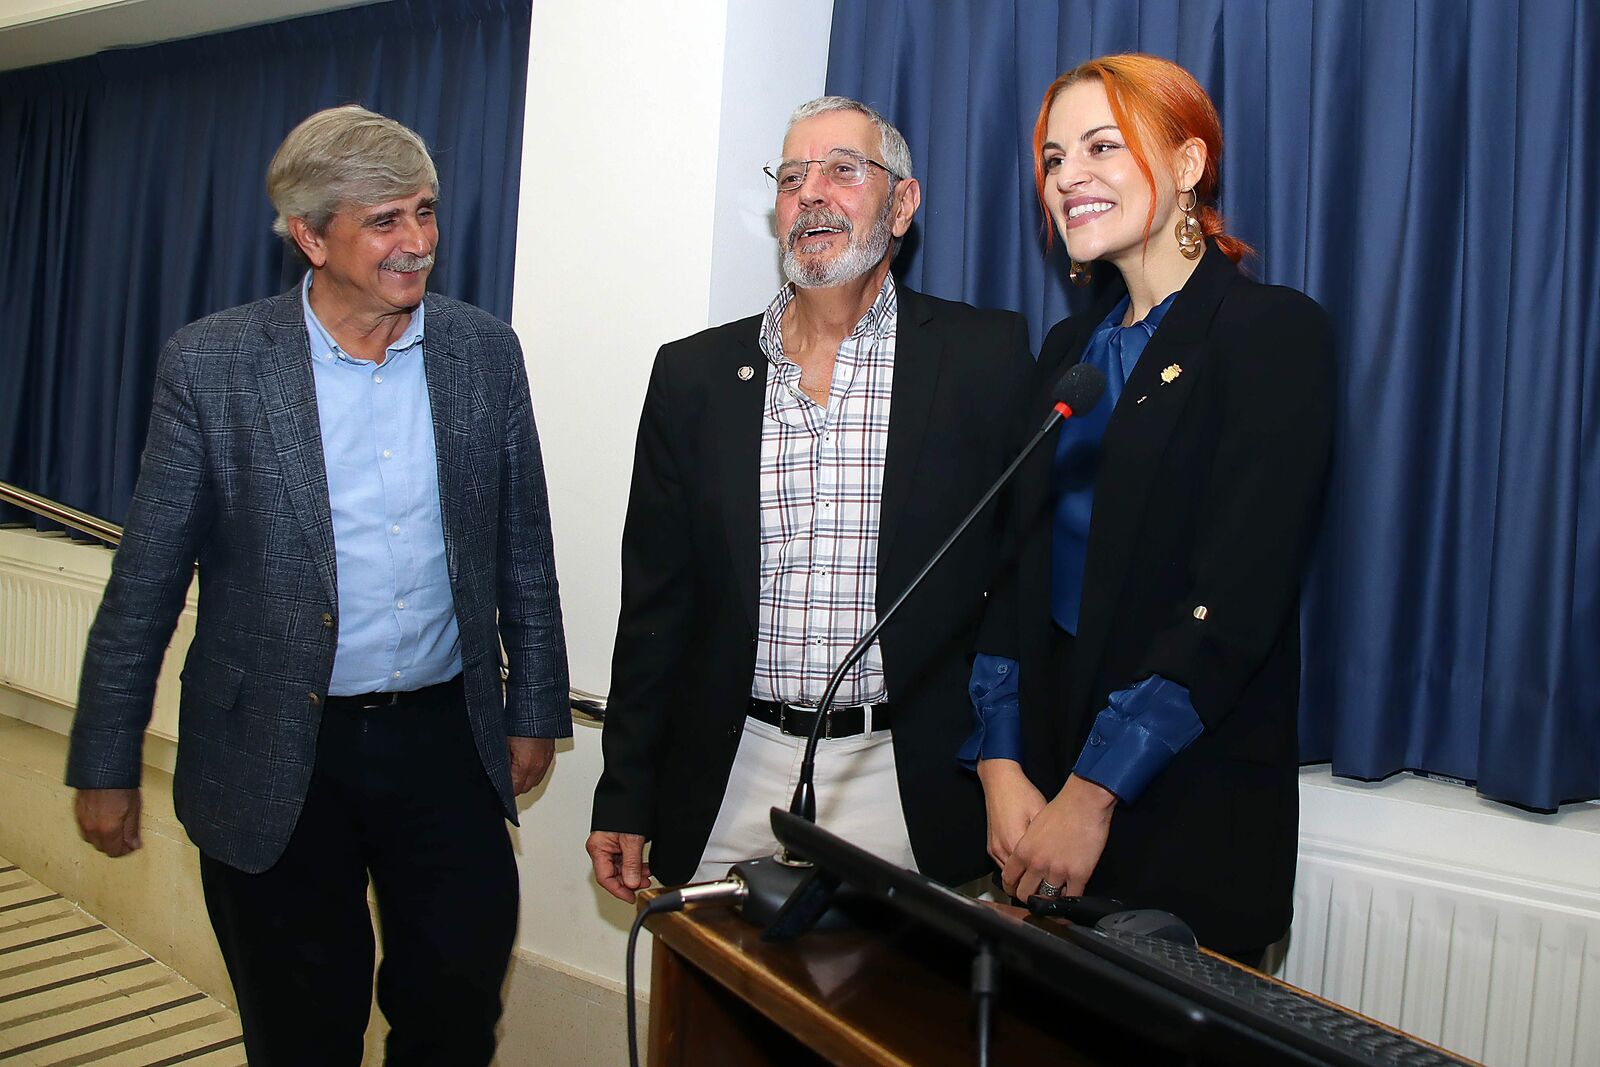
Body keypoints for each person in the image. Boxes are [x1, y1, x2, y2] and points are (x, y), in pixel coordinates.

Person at [66, 105, 569, 1065]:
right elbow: (147, 580)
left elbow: (522, 548)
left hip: (443, 743)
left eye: (424, 212)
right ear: (310, 234)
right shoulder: (214, 368)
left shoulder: (481, 353)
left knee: (456, 1006)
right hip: (275, 753)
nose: (417, 243)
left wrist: (534, 703)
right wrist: (104, 755)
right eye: (385, 221)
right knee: (303, 1028)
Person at [587, 97, 1031, 901]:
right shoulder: (694, 376)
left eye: (841, 170)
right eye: (792, 177)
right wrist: (625, 786)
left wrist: (1012, 760)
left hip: (906, 776)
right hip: (733, 765)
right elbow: (656, 601)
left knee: (896, 1025)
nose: (812, 193)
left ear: (902, 203)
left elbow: (1019, 575)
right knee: (719, 1019)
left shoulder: (984, 357)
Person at [966, 54, 1334, 964]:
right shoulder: (1065, 348)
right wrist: (999, 765)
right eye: (1053, 158)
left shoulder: (1270, 333)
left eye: (1102, 146)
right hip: (1038, 797)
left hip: (1180, 806)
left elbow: (1233, 604)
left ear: (1187, 166)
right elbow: (1009, 571)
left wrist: (1091, 796)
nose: (1068, 177)